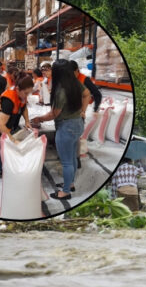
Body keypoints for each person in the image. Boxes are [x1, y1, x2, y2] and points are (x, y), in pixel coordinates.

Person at [31, 59, 91, 200]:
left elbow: (54, 114)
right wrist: (82, 111)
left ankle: (65, 192)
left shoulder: (60, 90)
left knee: (66, 161)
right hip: (77, 124)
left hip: (66, 127)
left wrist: (39, 119)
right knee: (72, 157)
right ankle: (70, 184)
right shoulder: (74, 82)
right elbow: (87, 94)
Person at [0, 72, 34, 176]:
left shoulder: (22, 95)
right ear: (18, 89)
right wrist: (12, 139)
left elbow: (24, 108)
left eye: (29, 93)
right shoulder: (9, 100)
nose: (27, 96)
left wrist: (27, 121)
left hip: (8, 127)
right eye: (26, 93)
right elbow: (1, 123)